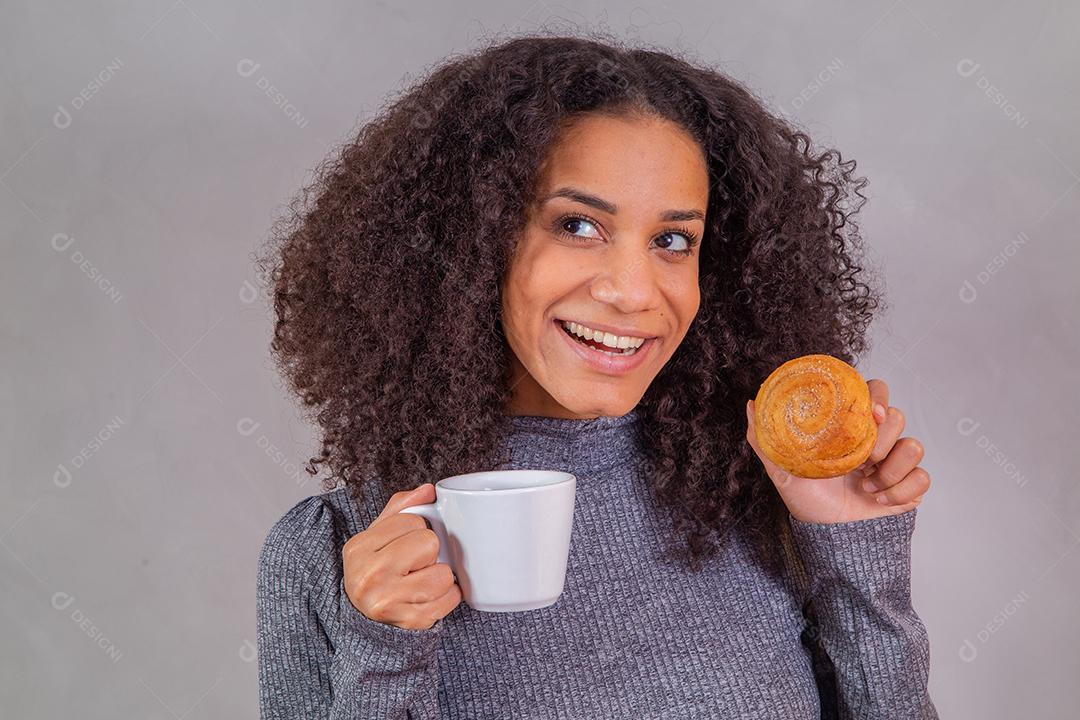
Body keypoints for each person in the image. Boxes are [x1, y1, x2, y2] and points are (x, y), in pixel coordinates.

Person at [254, 31, 937, 719]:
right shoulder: (337, 554)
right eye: (578, 226)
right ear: (474, 239)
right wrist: (386, 651)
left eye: (673, 241)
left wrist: (853, 549)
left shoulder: (759, 502)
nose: (635, 292)